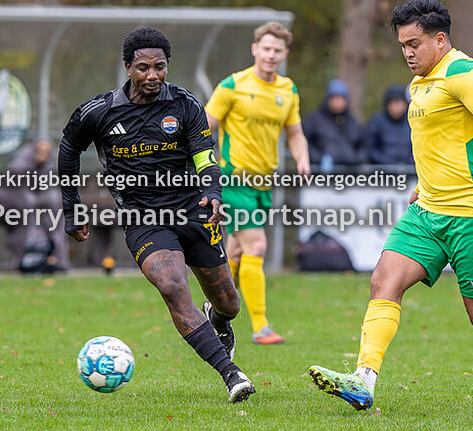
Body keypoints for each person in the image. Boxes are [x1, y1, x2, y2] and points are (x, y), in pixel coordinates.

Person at [308, 0, 473, 416]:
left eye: (415, 44)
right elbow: (440, 140)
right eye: (402, 45)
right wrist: (422, 184)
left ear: (440, 39)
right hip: (428, 211)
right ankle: (363, 380)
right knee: (383, 282)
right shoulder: (419, 82)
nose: (407, 53)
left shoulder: (463, 71)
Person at [59, 26, 255, 402]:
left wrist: (213, 192)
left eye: (160, 67)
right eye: (144, 68)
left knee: (229, 301)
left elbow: (204, 155)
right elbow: (68, 150)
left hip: (193, 209)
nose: (153, 76)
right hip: (141, 217)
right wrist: (72, 207)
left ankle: (217, 318)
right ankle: (232, 376)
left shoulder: (184, 105)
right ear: (128, 67)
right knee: (172, 285)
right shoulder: (99, 111)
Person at [205, 21, 310, 345]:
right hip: (234, 178)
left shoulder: (287, 89)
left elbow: (294, 132)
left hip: (264, 183)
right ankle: (261, 326)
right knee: (257, 246)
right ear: (255, 49)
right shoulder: (233, 85)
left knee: (235, 251)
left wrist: (302, 158)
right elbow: (205, 126)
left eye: (277, 50)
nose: (270, 55)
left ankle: (213, 308)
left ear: (284, 54)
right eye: (265, 48)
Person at [0, 137, 70, 271]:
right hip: (5, 205)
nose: (43, 155)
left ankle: (59, 260)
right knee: (30, 216)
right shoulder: (19, 165)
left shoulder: (47, 167)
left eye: (46, 152)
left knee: (55, 218)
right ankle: (26, 259)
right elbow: (23, 197)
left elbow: (51, 196)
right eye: (40, 151)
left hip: (33, 206)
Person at [302, 78, 365, 168]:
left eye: (341, 99)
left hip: (349, 174)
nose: (337, 102)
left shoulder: (353, 122)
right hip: (321, 173)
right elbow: (303, 142)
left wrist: (355, 159)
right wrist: (319, 158)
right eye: (334, 98)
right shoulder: (314, 120)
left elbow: (363, 145)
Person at [364, 85, 413, 165]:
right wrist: (389, 163)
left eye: (399, 103)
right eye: (393, 103)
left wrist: (408, 163)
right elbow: (370, 149)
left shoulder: (412, 122)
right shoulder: (376, 122)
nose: (396, 107)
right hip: (383, 172)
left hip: (409, 171)